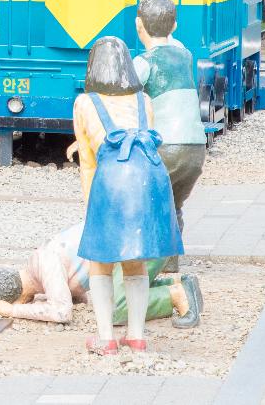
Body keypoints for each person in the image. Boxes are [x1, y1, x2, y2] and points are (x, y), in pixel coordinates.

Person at [72, 36, 183, 355]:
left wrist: (91, 208)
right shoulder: (143, 100)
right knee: (135, 260)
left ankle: (105, 338)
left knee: (100, 262)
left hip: (111, 180)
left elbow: (88, 163)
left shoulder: (84, 103)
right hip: (150, 180)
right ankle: (136, 335)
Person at [0, 220, 202, 328]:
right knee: (111, 293)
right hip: (146, 238)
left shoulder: (44, 261)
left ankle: (175, 295)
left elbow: (62, 312)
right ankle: (178, 282)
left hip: (143, 245)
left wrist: (13, 310)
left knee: (115, 311)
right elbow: (78, 295)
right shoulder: (38, 264)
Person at [133, 0, 206, 235]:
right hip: (195, 148)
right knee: (174, 207)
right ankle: (171, 269)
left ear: (138, 25)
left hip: (166, 146)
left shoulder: (143, 62)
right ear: (174, 26)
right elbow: (172, 42)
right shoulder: (185, 55)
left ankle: (148, 264)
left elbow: (126, 97)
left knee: (147, 204)